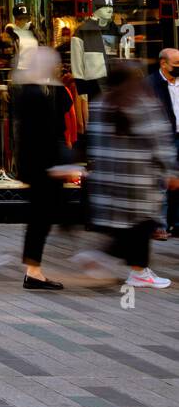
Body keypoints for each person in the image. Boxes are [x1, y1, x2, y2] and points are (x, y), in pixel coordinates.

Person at [76, 62, 178, 289]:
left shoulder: (102, 103)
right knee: (141, 225)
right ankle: (138, 271)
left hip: (109, 179)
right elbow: (158, 142)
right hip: (138, 179)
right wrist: (169, 171)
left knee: (125, 227)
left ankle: (105, 259)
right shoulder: (142, 103)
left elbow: (94, 142)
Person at [12, 47, 75, 290]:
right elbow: (41, 135)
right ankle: (34, 271)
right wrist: (56, 165)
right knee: (43, 218)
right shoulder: (34, 94)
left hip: (39, 166)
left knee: (42, 218)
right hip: (43, 167)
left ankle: (33, 269)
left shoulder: (31, 91)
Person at [147, 48, 179, 238]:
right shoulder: (150, 85)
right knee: (162, 182)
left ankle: (176, 222)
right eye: (176, 65)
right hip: (163, 138)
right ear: (163, 63)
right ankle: (159, 225)